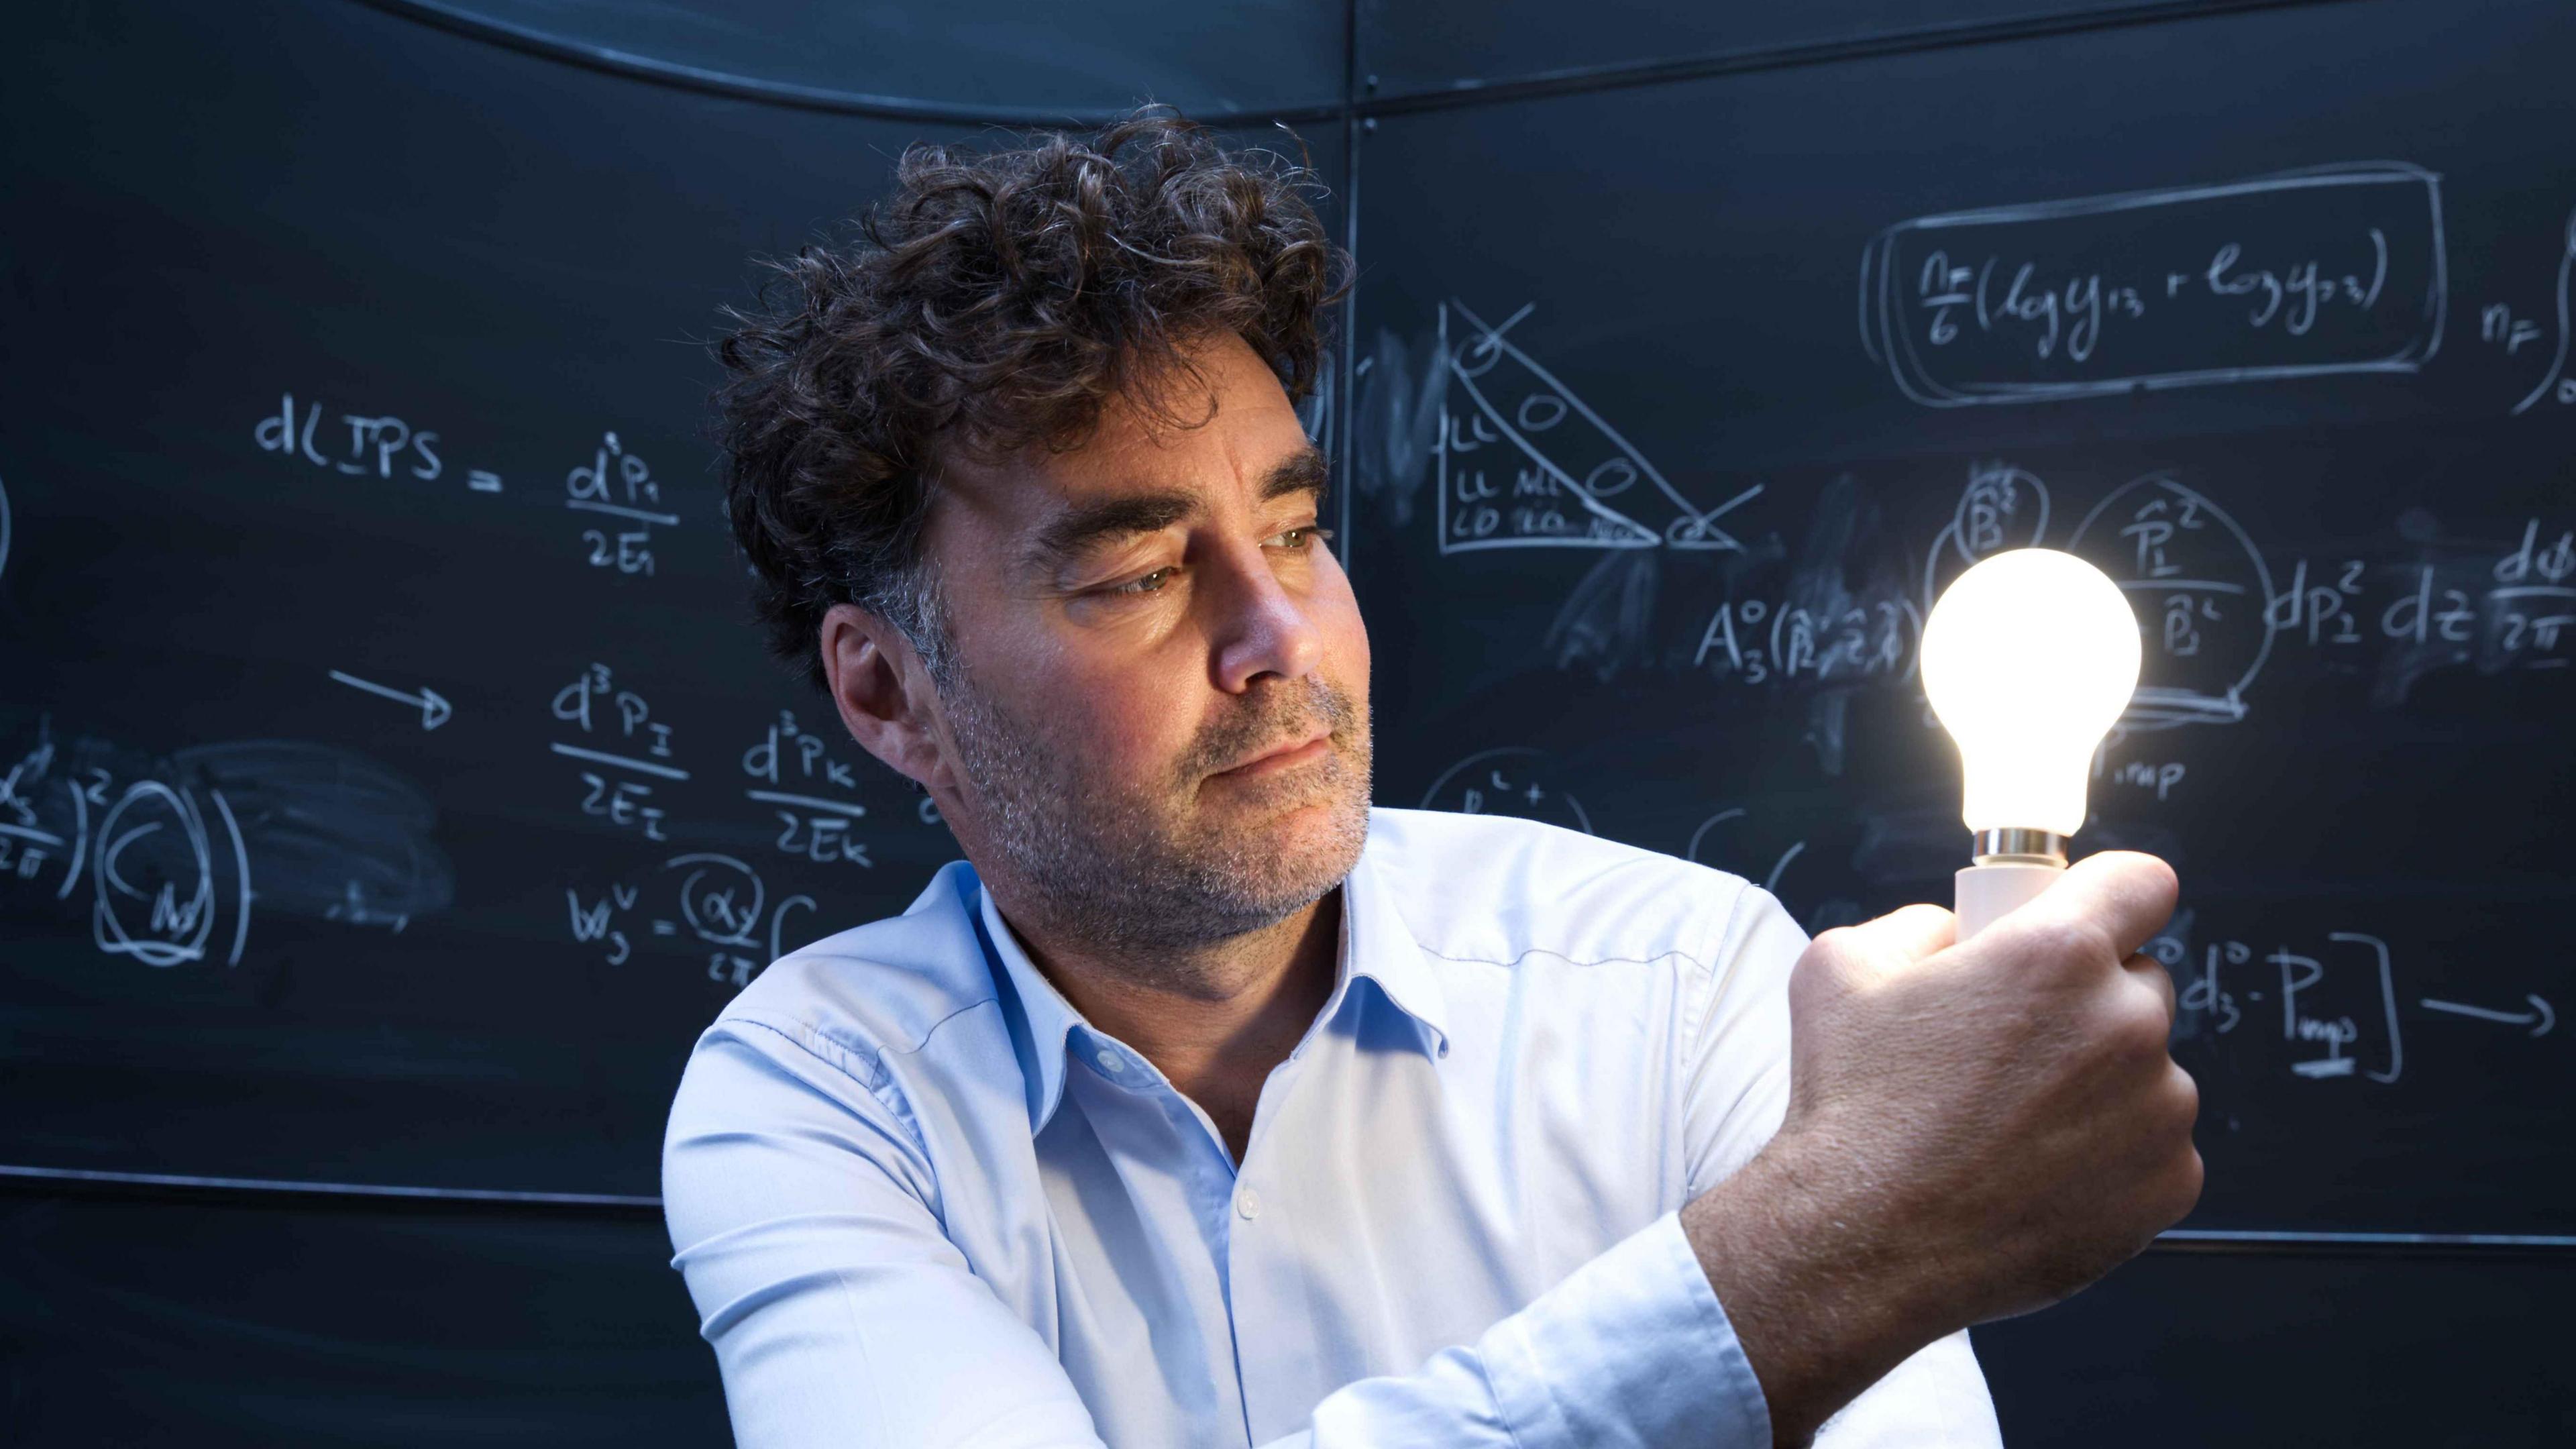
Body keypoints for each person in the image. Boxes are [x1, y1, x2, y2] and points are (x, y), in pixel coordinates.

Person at [661, 107, 2201, 1448]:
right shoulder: (821, 1096)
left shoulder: (1691, 984)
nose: (1281, 639)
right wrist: (1831, 1245)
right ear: (890, 689)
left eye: (1293, 530)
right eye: (1138, 572)